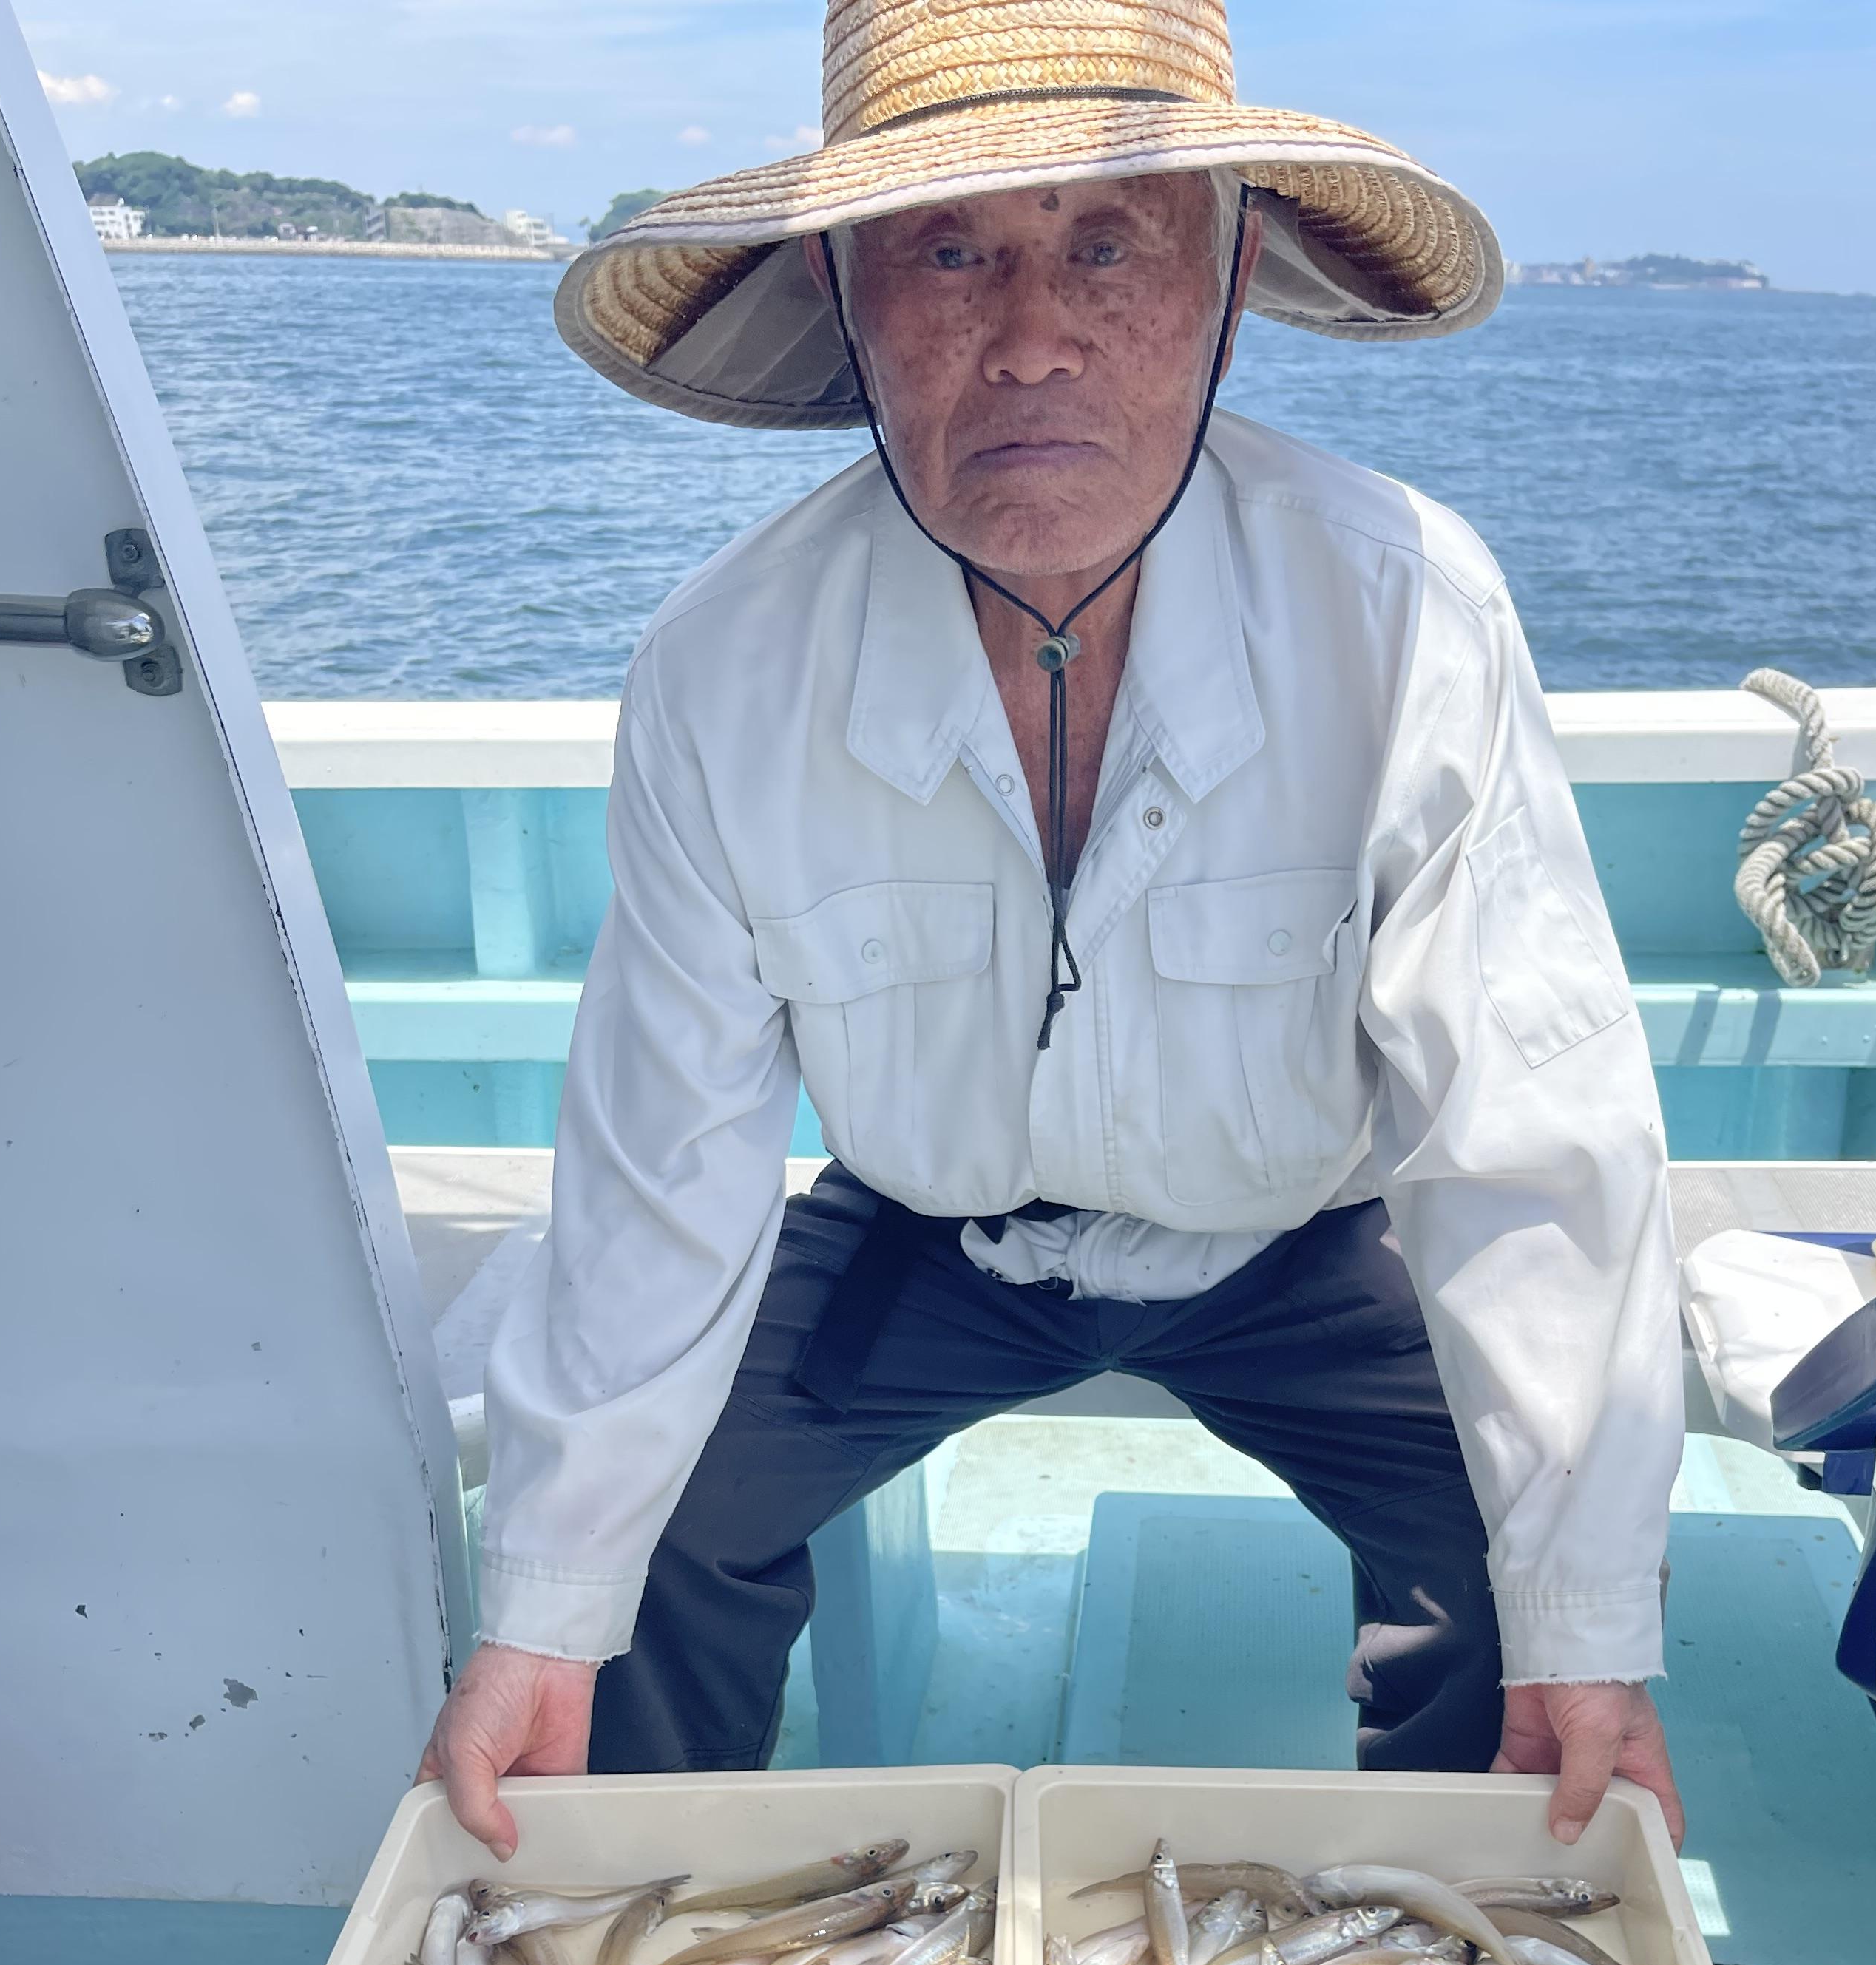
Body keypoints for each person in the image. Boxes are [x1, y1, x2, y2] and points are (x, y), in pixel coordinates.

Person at [421, 0, 1687, 1864]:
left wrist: (1589, 1619)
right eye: (949, 253)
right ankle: (634, 1943)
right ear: (847, 298)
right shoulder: (721, 666)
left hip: (1301, 1233)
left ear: (1229, 276)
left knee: (1519, 1588)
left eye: (1106, 244)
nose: (1029, 342)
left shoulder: (1408, 606)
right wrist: (540, 1611)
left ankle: (1447, 1944)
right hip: (922, 1236)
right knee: (642, 1548)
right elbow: (661, 1164)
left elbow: (1525, 1128)